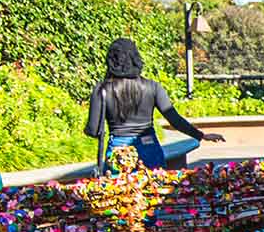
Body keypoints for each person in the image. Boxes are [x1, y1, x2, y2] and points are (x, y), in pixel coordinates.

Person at [85, 38, 224, 173]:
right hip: (149, 146)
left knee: (117, 193)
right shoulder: (153, 87)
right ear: (136, 59)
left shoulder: (102, 90)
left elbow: (93, 130)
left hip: (118, 150)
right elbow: (174, 119)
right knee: (154, 190)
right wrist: (201, 135)